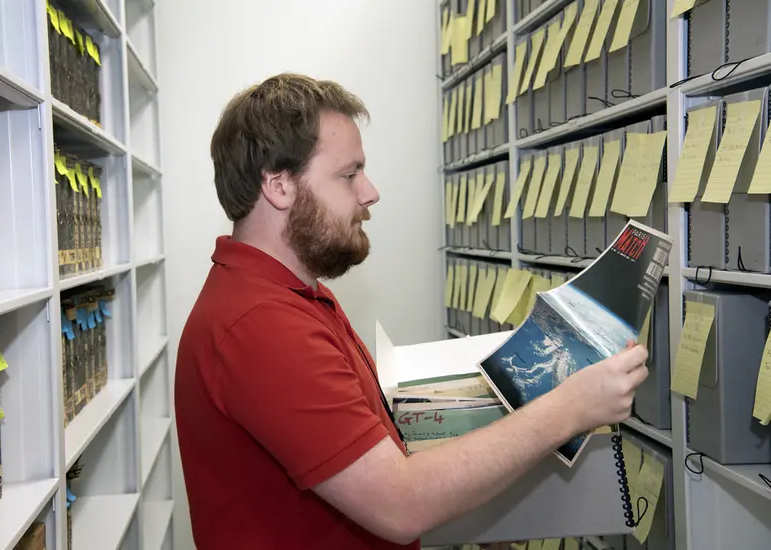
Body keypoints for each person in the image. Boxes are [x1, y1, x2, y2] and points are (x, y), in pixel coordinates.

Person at [174, 73, 649, 550]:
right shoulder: (261, 325)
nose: (370, 192)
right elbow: (399, 504)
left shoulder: (292, 294)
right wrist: (568, 409)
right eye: (348, 174)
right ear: (279, 186)